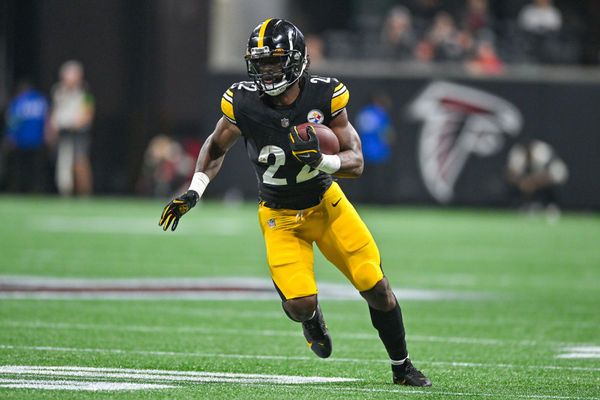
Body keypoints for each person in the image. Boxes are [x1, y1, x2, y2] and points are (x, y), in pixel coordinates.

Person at [158, 19, 431, 387]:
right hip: (280, 217)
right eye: (262, 62)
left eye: (275, 61)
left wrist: (323, 161)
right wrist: (195, 189)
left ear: (298, 60)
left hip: (326, 207)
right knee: (299, 304)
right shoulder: (244, 102)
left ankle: (402, 367)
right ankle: (312, 318)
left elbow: (356, 160)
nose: (267, 71)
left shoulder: (324, 96)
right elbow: (215, 146)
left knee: (375, 285)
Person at [47, 60, 95, 196]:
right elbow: (53, 111)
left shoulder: (86, 92)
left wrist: (76, 123)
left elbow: (89, 112)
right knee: (62, 166)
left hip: (79, 132)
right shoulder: (57, 91)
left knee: (80, 163)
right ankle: (65, 194)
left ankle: (85, 195)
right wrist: (52, 128)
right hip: (62, 133)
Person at [3, 79, 49, 193]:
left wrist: (10, 135)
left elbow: (13, 121)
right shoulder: (41, 100)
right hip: (37, 140)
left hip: (21, 140)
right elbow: (47, 119)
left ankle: (19, 189)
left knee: (20, 167)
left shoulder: (19, 101)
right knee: (36, 168)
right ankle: (36, 190)